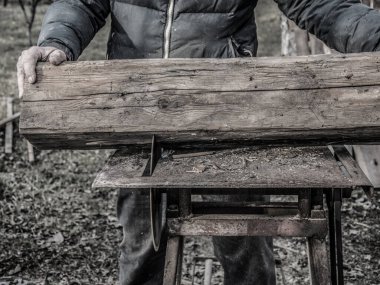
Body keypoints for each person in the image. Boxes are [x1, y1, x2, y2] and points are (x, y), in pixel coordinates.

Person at [16, 1, 380, 284]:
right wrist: (55, 42)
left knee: (246, 247)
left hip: (229, 117)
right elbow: (81, 3)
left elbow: (321, 4)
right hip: (139, 115)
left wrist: (375, 34)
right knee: (142, 250)